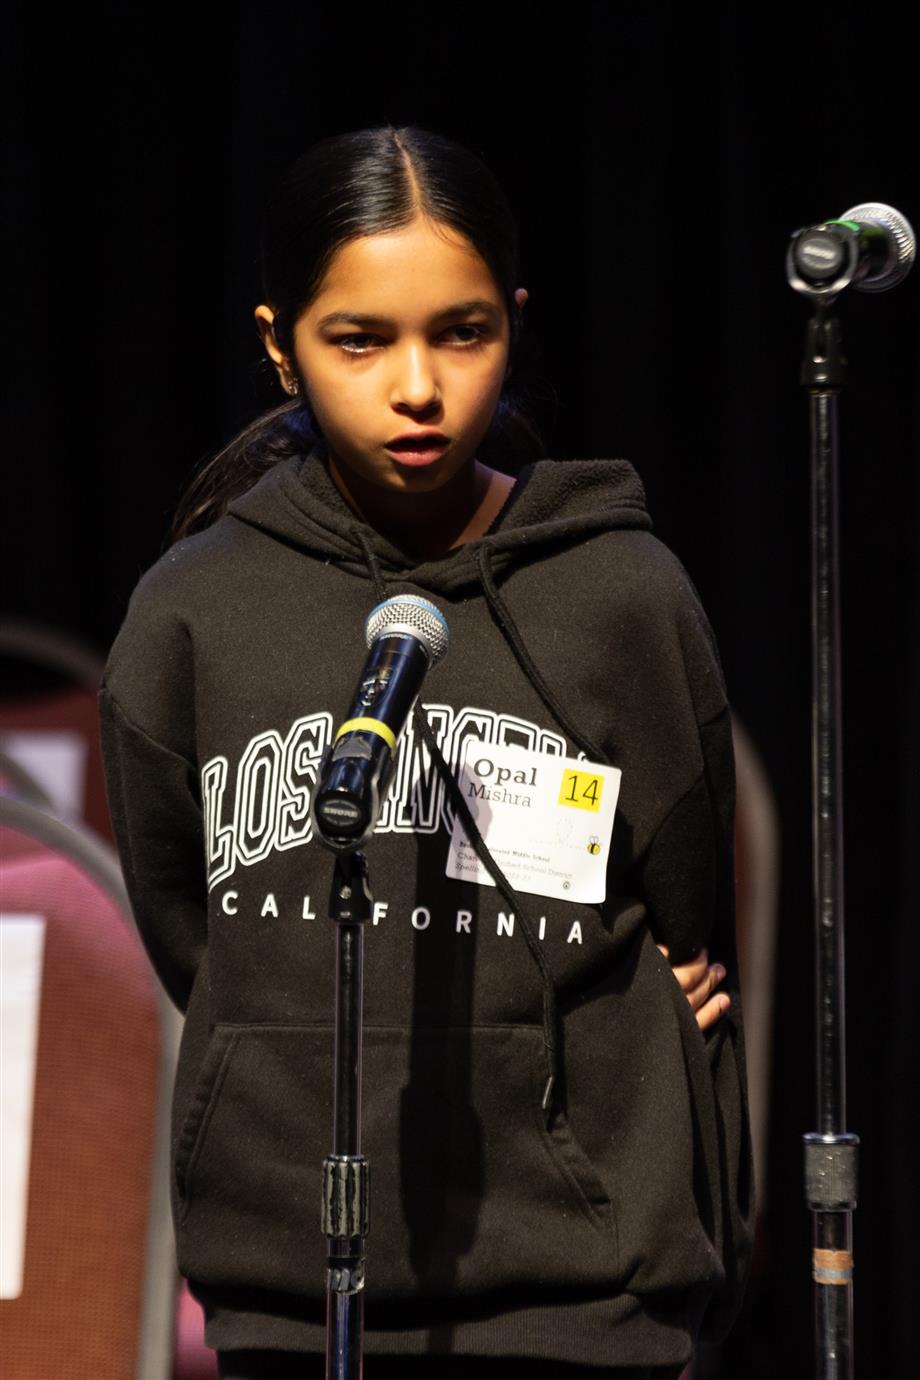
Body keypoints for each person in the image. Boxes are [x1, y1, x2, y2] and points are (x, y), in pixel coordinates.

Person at [98, 124, 753, 1379]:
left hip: (582, 1293)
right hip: (293, 1288)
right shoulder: (193, 611)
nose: (417, 388)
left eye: (461, 333)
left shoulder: (616, 594)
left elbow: (682, 908)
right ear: (276, 345)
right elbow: (188, 927)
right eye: (359, 339)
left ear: (512, 322)